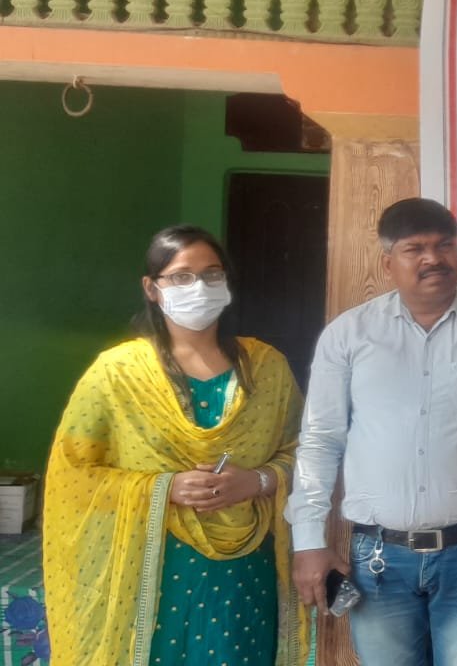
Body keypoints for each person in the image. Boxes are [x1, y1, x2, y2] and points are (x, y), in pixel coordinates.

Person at [288, 198, 457, 665]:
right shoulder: (349, 334)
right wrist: (308, 540)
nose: (433, 259)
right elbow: (321, 440)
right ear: (388, 263)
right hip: (380, 557)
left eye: (445, 245)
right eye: (415, 249)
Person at [43, 225, 309, 665]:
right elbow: (73, 474)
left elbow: (306, 453)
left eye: (211, 274)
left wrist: (258, 481)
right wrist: (163, 488)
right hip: (150, 570)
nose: (199, 287)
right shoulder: (117, 373)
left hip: (246, 572)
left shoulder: (266, 366)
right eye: (181, 277)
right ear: (152, 288)